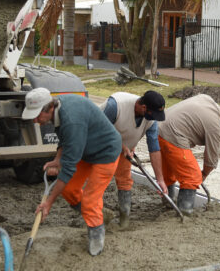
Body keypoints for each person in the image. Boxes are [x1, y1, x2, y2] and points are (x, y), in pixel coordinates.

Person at [22, 88, 121, 256]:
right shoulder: (58, 107)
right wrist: (58, 159)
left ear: (50, 108)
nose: (35, 120)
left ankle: (96, 232)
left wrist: (48, 203)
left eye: (38, 116)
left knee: (90, 200)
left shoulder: (72, 120)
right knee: (68, 190)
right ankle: (97, 214)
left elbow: (67, 170)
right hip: (85, 149)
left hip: (106, 153)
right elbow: (64, 139)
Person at [157, 94, 220, 215]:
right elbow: (211, 160)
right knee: (191, 177)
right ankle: (184, 212)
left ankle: (168, 203)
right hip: (173, 135)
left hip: (158, 128)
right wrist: (203, 175)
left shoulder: (207, 99)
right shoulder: (216, 126)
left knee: (170, 170)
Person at [100, 90, 166, 229]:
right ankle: (96, 216)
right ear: (143, 107)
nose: (153, 118)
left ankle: (124, 218)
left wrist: (159, 179)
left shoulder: (151, 121)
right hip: (101, 144)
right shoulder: (116, 105)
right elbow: (100, 130)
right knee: (100, 179)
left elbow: (154, 148)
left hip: (126, 148)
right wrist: (121, 146)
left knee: (124, 179)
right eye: (152, 114)